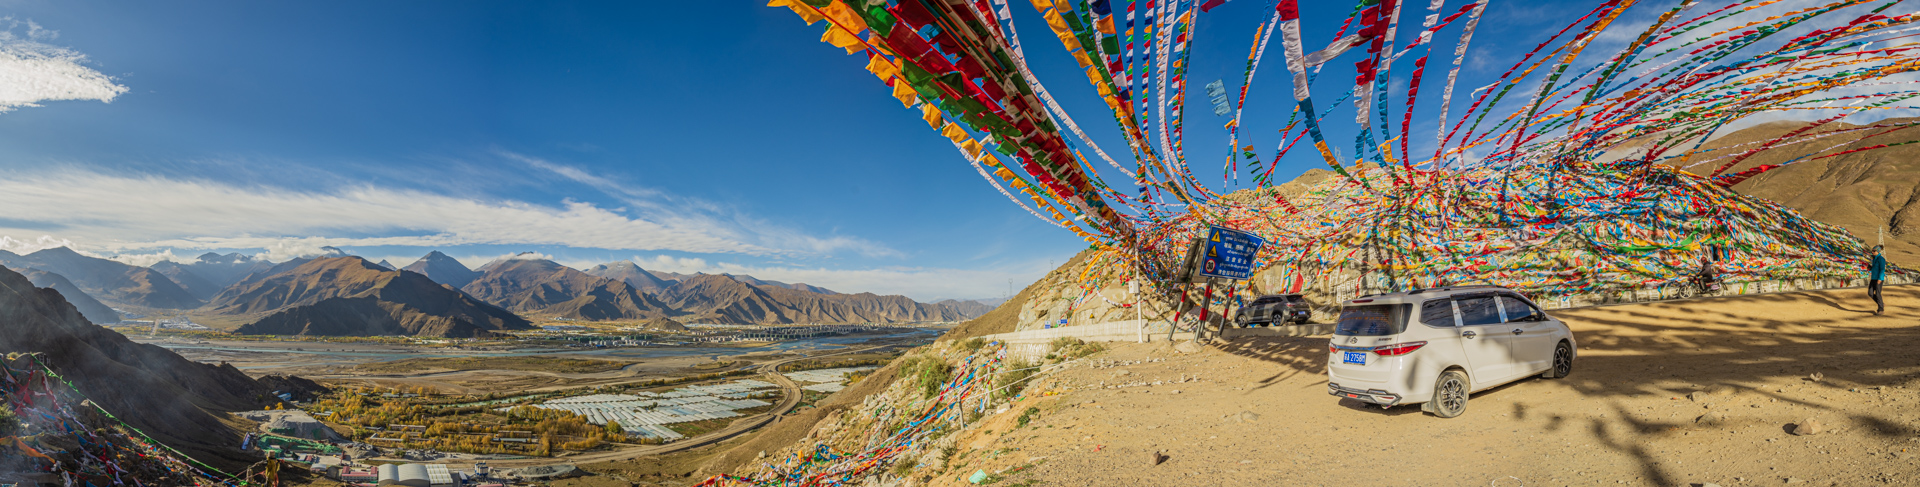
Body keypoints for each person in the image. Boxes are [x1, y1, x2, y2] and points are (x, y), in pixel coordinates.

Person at [1870, 245, 1887, 315]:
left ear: (1878, 251)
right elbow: (1875, 268)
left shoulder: (1881, 259)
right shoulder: (1874, 259)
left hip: (1879, 279)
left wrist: (1880, 278)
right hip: (1873, 278)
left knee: (1877, 294)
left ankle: (1881, 309)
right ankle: (1881, 303)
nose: (1872, 252)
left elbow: (1882, 269)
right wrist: (1870, 267)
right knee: (1870, 293)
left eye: (1874, 251)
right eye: (1872, 251)